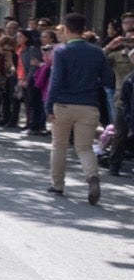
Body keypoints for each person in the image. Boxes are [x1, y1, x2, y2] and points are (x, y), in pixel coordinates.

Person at [45, 13, 115, 205]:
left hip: (63, 104)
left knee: (59, 146)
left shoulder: (62, 52)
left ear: (66, 29)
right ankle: (92, 177)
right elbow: (108, 79)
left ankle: (57, 185)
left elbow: (55, 81)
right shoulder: (97, 52)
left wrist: (48, 106)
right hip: (89, 105)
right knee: (84, 148)